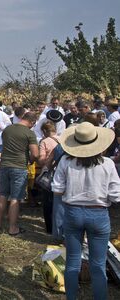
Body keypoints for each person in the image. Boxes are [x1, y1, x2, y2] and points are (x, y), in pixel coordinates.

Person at [51, 122, 120, 300]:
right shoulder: (108, 164)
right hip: (98, 214)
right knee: (97, 264)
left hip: (72, 213)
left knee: (73, 261)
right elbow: (116, 196)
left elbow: (57, 189)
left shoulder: (66, 161)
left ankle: (72, 297)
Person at [0, 112, 39, 235]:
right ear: (32, 122)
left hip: (4, 165)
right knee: (15, 197)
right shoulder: (29, 133)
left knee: (2, 194)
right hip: (19, 166)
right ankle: (12, 228)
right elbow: (35, 154)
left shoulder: (7, 129)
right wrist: (30, 161)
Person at [37, 121, 60, 234]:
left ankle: (50, 228)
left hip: (50, 173)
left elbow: (42, 160)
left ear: (45, 131)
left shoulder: (44, 141)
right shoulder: (63, 140)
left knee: (47, 201)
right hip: (62, 173)